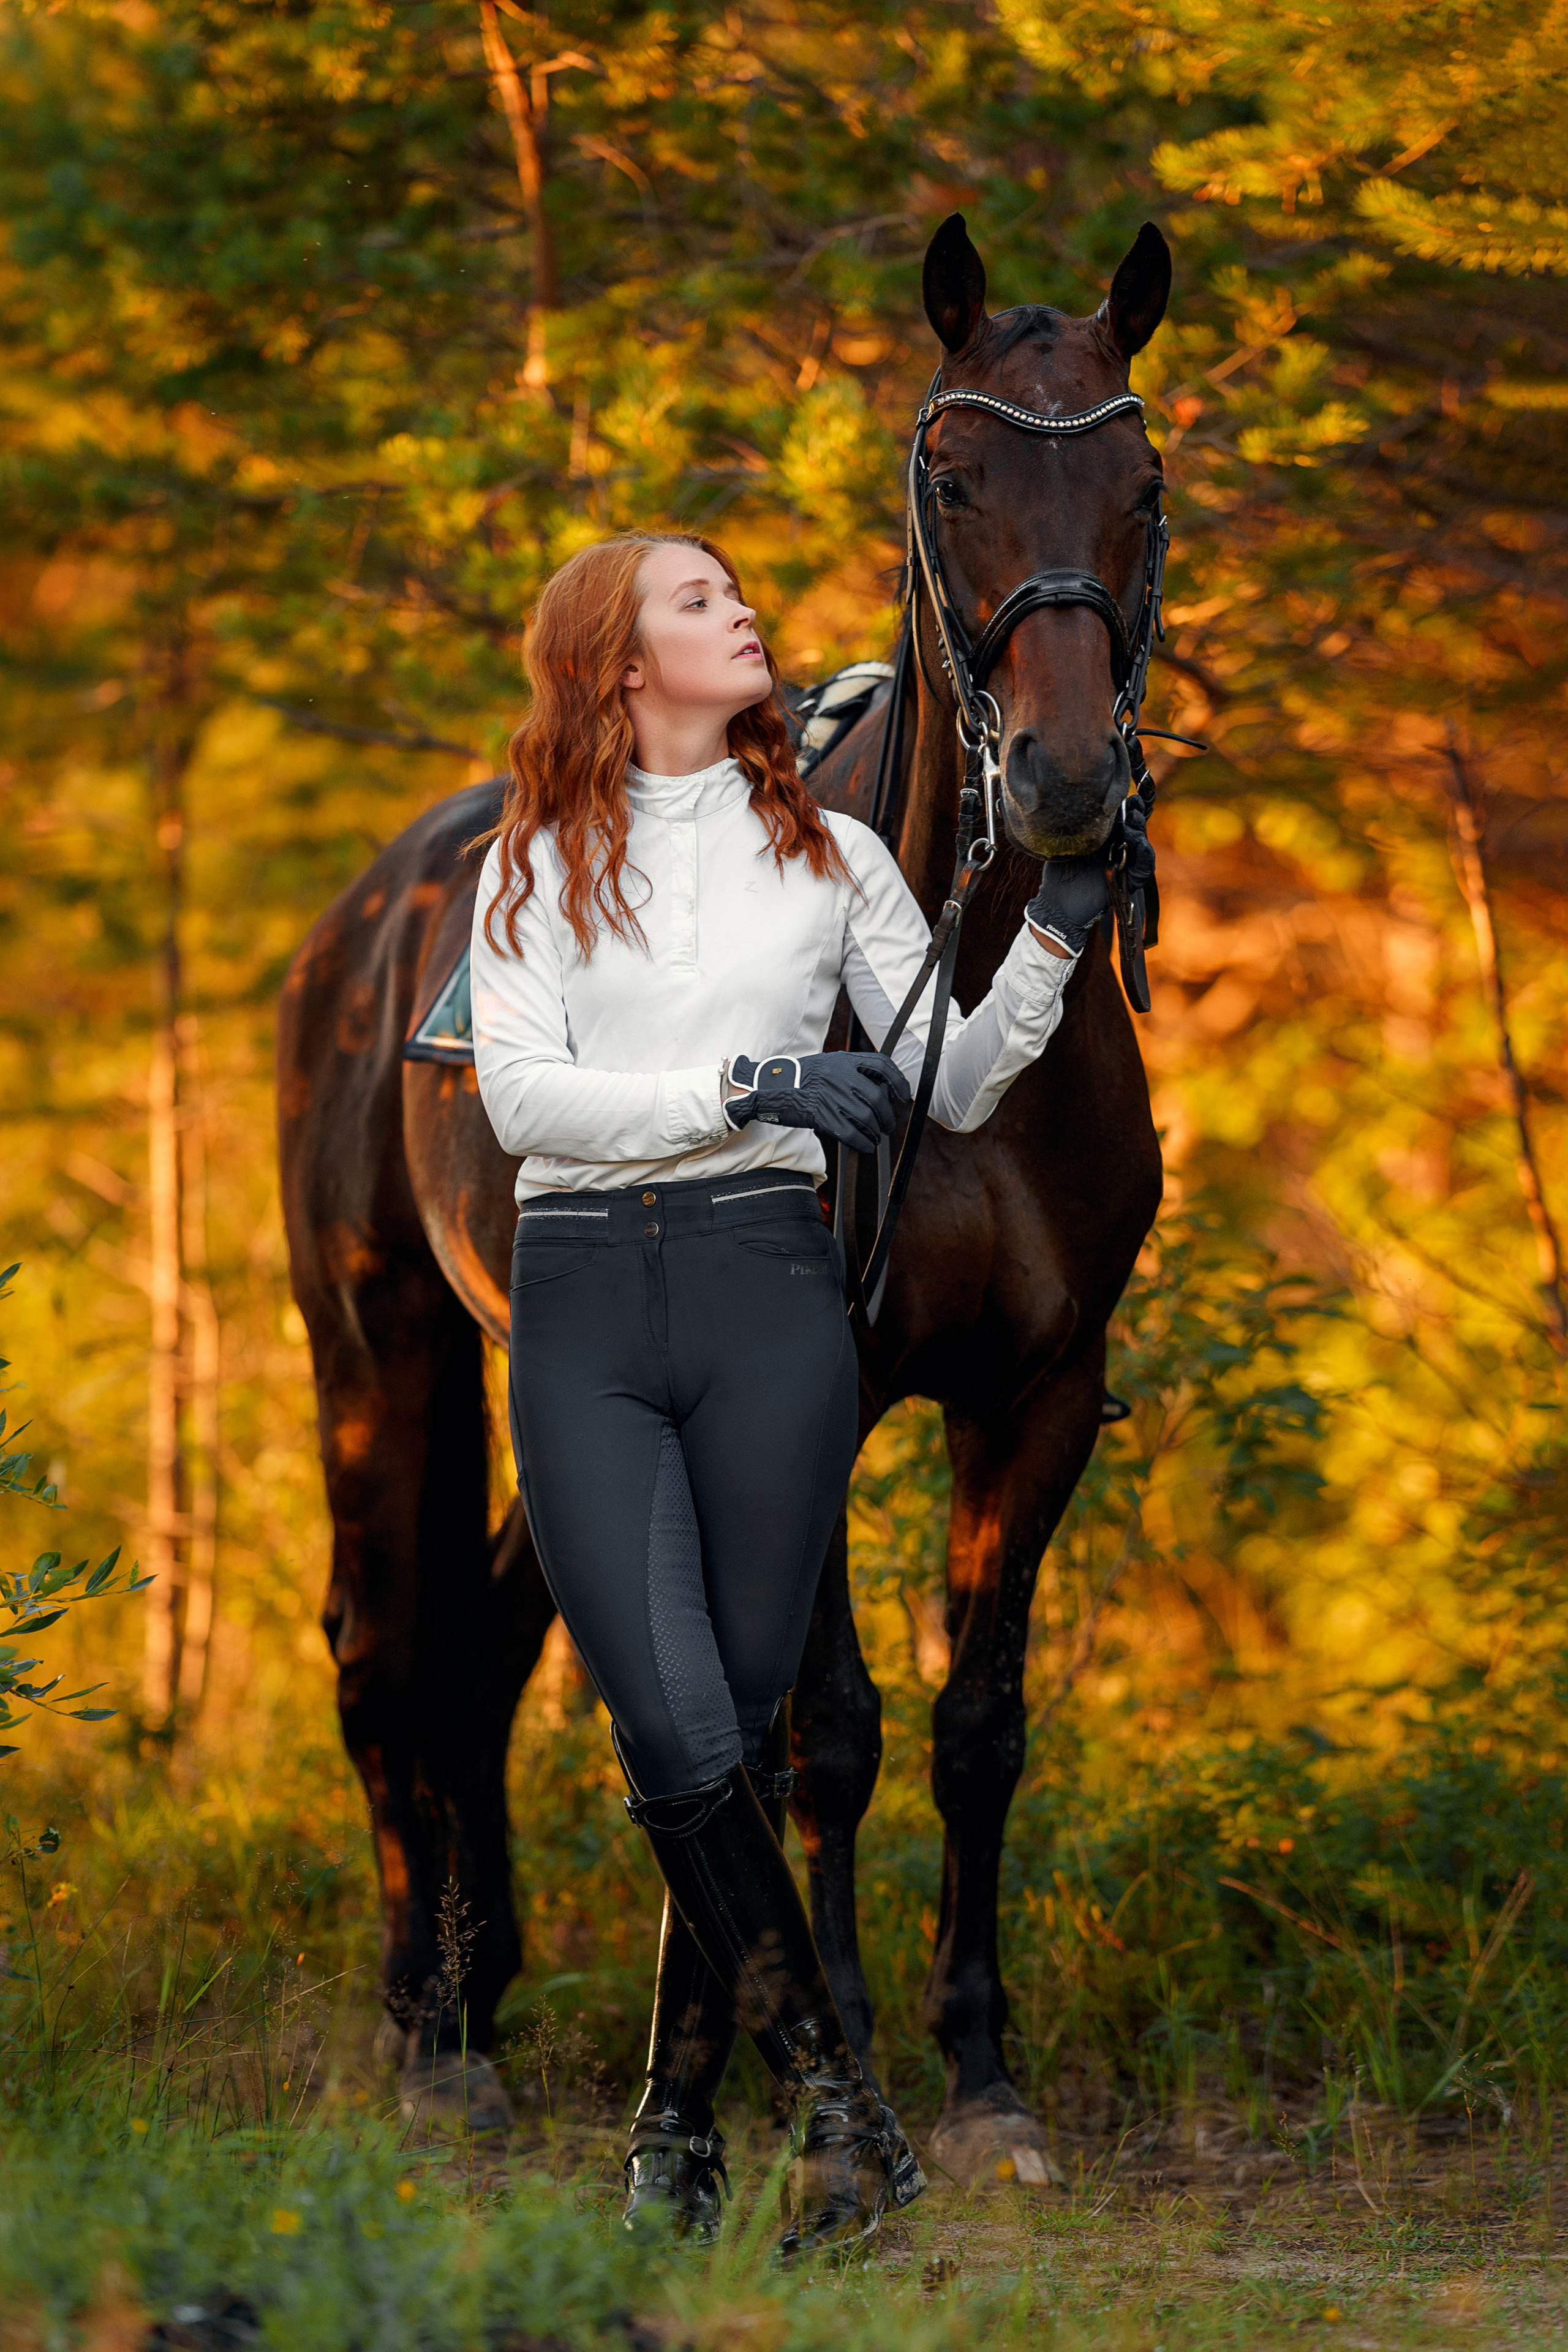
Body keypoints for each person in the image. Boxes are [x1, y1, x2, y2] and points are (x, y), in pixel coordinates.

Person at [469, 532, 1111, 2257]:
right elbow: (525, 1103)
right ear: (617, 663)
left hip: (768, 1297)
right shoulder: (531, 860)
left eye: (734, 591)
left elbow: (946, 1079)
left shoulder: (831, 857)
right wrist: (751, 1083)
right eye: (697, 600)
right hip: (585, 1299)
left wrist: (1051, 946)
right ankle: (844, 2106)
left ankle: (674, 2135)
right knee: (671, 1730)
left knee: (738, 1735)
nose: (741, 611)